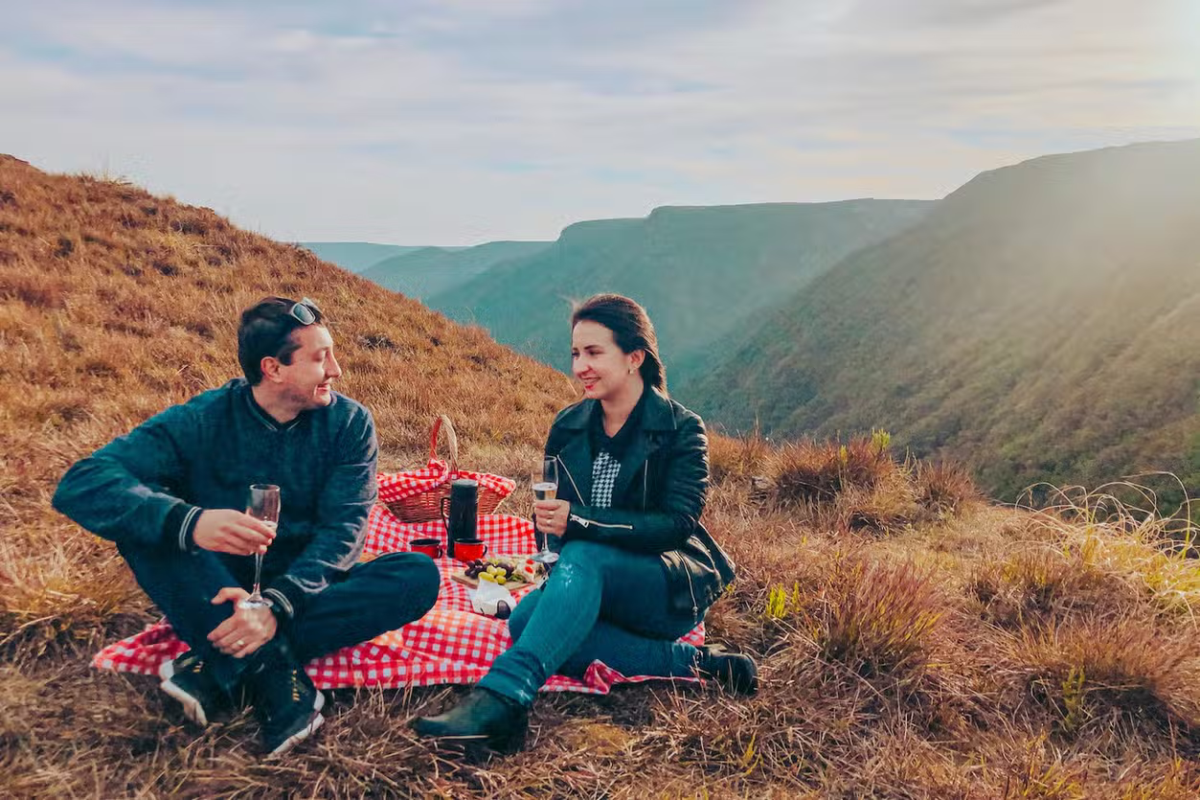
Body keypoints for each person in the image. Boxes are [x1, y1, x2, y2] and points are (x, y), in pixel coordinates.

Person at [53, 296, 440, 756]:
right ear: (273, 368)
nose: (335, 370)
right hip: (217, 585)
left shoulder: (349, 424)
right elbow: (81, 483)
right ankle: (278, 680)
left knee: (417, 575)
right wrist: (188, 521)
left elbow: (345, 530)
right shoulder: (202, 419)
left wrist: (275, 605)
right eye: (319, 358)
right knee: (145, 529)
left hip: (303, 590)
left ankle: (215, 664)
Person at [413, 293, 756, 753]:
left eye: (594, 352)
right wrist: (553, 550)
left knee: (583, 554)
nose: (580, 366)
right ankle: (694, 663)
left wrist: (580, 524)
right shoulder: (569, 425)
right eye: (576, 353)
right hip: (585, 577)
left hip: (661, 586)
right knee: (527, 621)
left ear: (635, 357)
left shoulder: (680, 428)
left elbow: (676, 523)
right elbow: (552, 519)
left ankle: (502, 699)